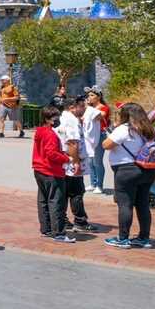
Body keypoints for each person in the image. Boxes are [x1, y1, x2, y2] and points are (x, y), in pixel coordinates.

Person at [102, 102, 155, 249]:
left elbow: (106, 145)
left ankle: (123, 239)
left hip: (127, 170)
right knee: (143, 204)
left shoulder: (124, 129)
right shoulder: (151, 129)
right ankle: (144, 238)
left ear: (126, 115)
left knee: (125, 204)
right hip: (148, 170)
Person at [32, 106, 76, 242]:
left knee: (43, 200)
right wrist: (66, 158)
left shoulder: (40, 131)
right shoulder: (50, 134)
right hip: (51, 170)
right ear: (48, 119)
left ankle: (46, 229)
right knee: (56, 201)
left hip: (39, 168)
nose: (58, 120)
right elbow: (51, 154)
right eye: (55, 117)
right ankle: (59, 233)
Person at [57, 95, 95, 232]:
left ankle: (63, 219)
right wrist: (76, 163)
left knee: (66, 192)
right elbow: (72, 142)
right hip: (71, 163)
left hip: (66, 162)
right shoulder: (71, 121)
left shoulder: (65, 118)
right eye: (82, 106)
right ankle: (80, 220)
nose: (84, 108)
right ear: (72, 107)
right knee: (76, 192)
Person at [85, 89, 109, 194]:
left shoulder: (104, 108)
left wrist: (88, 108)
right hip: (90, 135)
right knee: (90, 161)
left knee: (97, 161)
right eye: (88, 95)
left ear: (98, 97)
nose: (89, 97)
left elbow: (99, 116)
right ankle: (93, 183)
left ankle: (99, 185)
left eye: (92, 95)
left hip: (100, 135)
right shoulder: (90, 108)